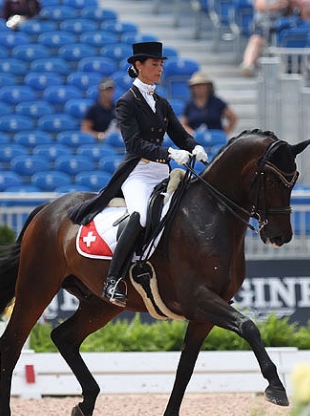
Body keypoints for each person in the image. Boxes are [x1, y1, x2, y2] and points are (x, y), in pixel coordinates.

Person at [68, 41, 208, 307]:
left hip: (163, 173)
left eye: (161, 64)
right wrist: (169, 154)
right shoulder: (126, 103)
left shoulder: (161, 102)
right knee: (140, 216)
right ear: (138, 66)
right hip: (138, 173)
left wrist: (194, 146)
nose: (160, 69)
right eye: (155, 65)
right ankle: (112, 280)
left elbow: (179, 134)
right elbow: (134, 144)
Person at [239, 0, 292, 76]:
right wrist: (277, 6)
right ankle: (248, 65)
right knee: (256, 40)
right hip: (264, 25)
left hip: (284, 25)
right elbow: (259, 5)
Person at [181, 71, 238, 136]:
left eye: (202, 85)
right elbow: (183, 123)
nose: (199, 88)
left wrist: (225, 133)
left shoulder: (217, 102)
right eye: (196, 86)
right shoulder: (189, 104)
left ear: (208, 87)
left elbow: (233, 117)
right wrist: (192, 133)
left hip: (216, 139)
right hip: (196, 140)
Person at [81, 77, 117, 142]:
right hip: (95, 142)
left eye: (111, 90)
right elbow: (85, 129)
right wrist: (99, 135)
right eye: (106, 90)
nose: (109, 93)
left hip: (112, 143)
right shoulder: (93, 109)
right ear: (100, 91)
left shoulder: (117, 109)